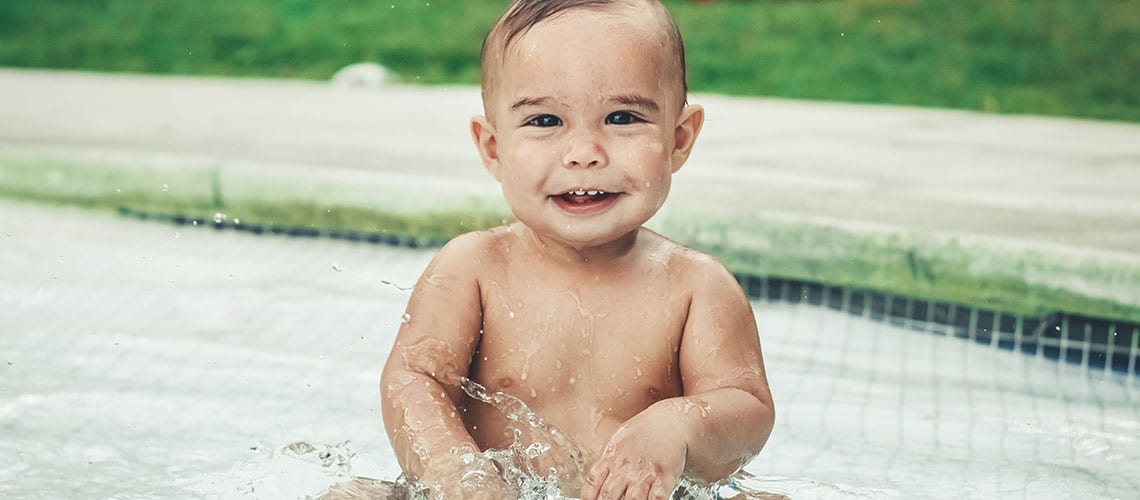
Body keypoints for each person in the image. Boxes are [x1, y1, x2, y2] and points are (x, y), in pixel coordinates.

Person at [380, 0, 775, 498]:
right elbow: (412, 380)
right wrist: (458, 476)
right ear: (493, 147)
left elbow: (748, 410)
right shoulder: (474, 268)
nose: (584, 152)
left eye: (622, 116)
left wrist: (677, 425)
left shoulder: (697, 287)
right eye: (545, 121)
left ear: (679, 139)